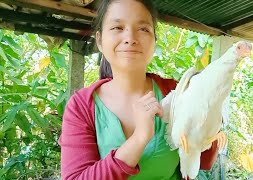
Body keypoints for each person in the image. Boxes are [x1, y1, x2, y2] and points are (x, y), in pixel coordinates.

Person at [59, 0, 220, 179]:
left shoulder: (175, 93)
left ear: (154, 41)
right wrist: (139, 138)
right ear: (100, 41)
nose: (130, 38)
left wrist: (211, 115)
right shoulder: (81, 106)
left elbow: (203, 161)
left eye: (143, 29)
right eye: (117, 28)